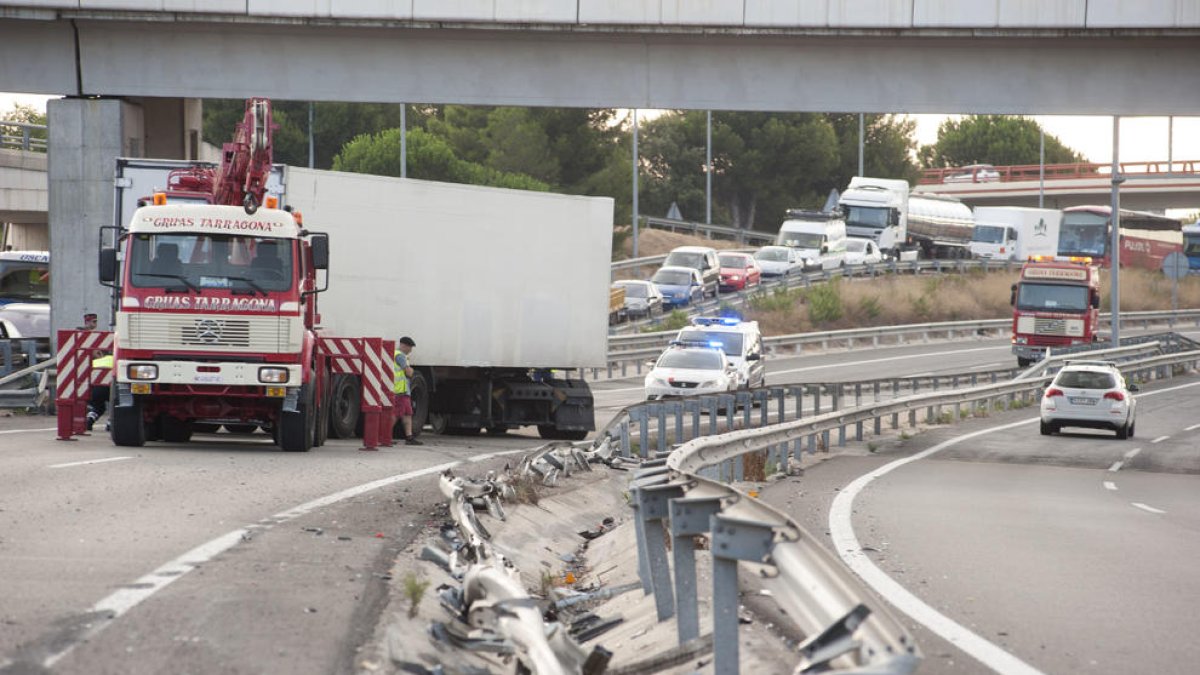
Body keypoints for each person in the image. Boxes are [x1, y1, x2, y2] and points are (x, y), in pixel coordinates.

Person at [393, 336, 422, 446]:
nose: (410, 350)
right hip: (399, 390)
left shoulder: (401, 356)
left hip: (404, 391)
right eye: (410, 347)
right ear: (403, 345)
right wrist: (412, 370)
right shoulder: (400, 356)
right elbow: (409, 373)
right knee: (395, 414)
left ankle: (409, 437)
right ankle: (383, 436)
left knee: (407, 414)